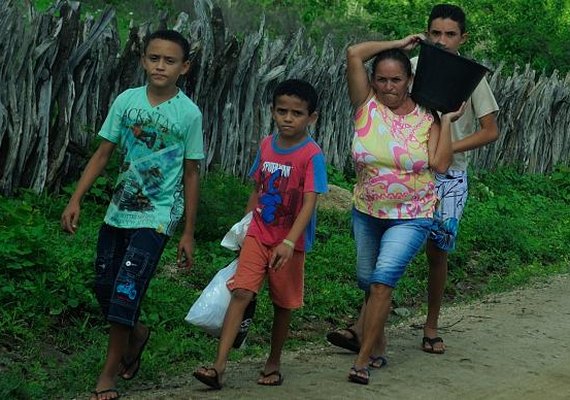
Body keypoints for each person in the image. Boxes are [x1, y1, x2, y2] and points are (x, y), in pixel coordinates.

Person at [326, 3, 500, 357]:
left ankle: (431, 325)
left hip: (448, 173)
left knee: (438, 249)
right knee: (384, 248)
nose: (441, 40)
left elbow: (490, 131)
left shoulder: (471, 77)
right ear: (425, 33)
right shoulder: (412, 70)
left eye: (450, 34)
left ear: (462, 38)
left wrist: (444, 144)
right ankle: (366, 329)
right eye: (435, 33)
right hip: (403, 172)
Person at [61, 29, 204, 400]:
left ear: (184, 67)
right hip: (118, 210)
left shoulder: (189, 114)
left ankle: (107, 374)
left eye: (169, 60)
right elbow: (103, 153)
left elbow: (191, 173)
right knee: (104, 287)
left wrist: (187, 232)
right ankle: (137, 333)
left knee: (125, 291)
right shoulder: (126, 101)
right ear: (143, 60)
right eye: (154, 58)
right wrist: (76, 198)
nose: (160, 66)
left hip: (157, 215)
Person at [193, 79, 328, 389]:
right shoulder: (267, 145)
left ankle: (274, 361)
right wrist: (243, 228)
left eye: (297, 113)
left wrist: (290, 242)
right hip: (257, 233)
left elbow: (309, 203)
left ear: (312, 117)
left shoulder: (311, 154)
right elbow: (257, 187)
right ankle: (218, 366)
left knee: (283, 304)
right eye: (282, 111)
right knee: (241, 292)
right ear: (272, 111)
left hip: (289, 242)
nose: (288, 118)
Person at [343, 37, 463, 385]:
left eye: (396, 80)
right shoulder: (365, 104)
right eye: (381, 78)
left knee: (383, 279)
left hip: (412, 214)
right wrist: (400, 42)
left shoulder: (427, 118)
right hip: (367, 210)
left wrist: (449, 121)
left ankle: (362, 360)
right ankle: (377, 341)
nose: (388, 86)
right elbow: (354, 54)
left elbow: (440, 164)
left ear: (409, 80)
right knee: (367, 280)